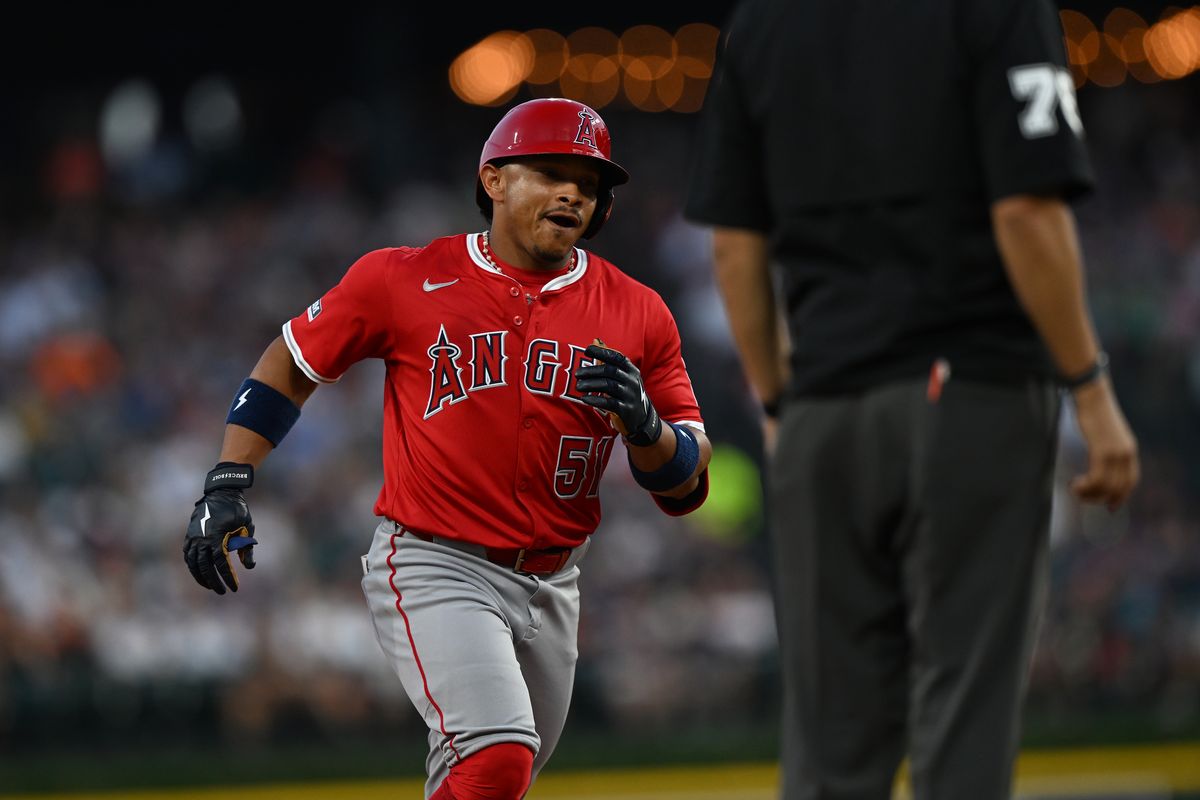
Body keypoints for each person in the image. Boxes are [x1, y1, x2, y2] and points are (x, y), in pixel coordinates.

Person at [182, 97, 712, 800]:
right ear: (494, 180)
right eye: (551, 172)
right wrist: (227, 481)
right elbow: (293, 360)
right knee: (497, 755)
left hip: (555, 583)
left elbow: (687, 488)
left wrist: (648, 431)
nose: (572, 194)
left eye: (589, 185)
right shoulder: (402, 278)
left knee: (485, 777)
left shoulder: (638, 311)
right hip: (437, 561)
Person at [684, 1, 1139, 798]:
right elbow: (1029, 210)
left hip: (823, 403)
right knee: (962, 712)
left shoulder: (762, 23)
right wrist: (1091, 391)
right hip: (970, 393)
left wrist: (779, 401)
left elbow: (733, 245)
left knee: (830, 745)